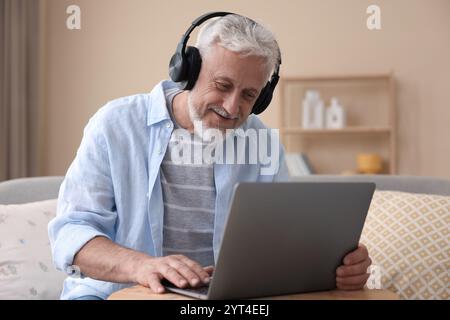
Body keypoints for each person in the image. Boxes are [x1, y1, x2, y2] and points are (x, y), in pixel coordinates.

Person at [48, 12, 372, 300]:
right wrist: (141, 266)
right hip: (112, 294)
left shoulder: (262, 142)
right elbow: (71, 233)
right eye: (222, 85)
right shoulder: (115, 126)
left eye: (248, 95)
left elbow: (282, 245)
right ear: (188, 71)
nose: (232, 108)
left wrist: (338, 266)